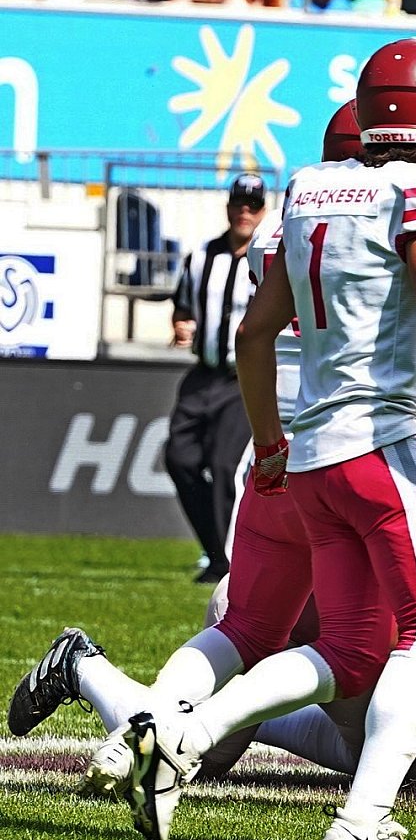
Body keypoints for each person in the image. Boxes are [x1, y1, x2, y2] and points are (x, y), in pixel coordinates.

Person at [117, 40, 416, 840]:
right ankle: (362, 824)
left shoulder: (310, 190)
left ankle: (183, 734)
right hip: (382, 447)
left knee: (350, 649)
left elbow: (253, 333)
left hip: (311, 453)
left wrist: (269, 440)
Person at [166, 173, 265, 584]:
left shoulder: (270, 258)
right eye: (239, 203)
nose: (245, 211)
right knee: (179, 458)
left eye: (253, 205)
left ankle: (228, 562)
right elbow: (183, 306)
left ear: (263, 211)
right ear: (227, 207)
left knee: (227, 466)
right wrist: (181, 325)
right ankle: (214, 549)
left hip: (244, 378)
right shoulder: (201, 257)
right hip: (204, 373)